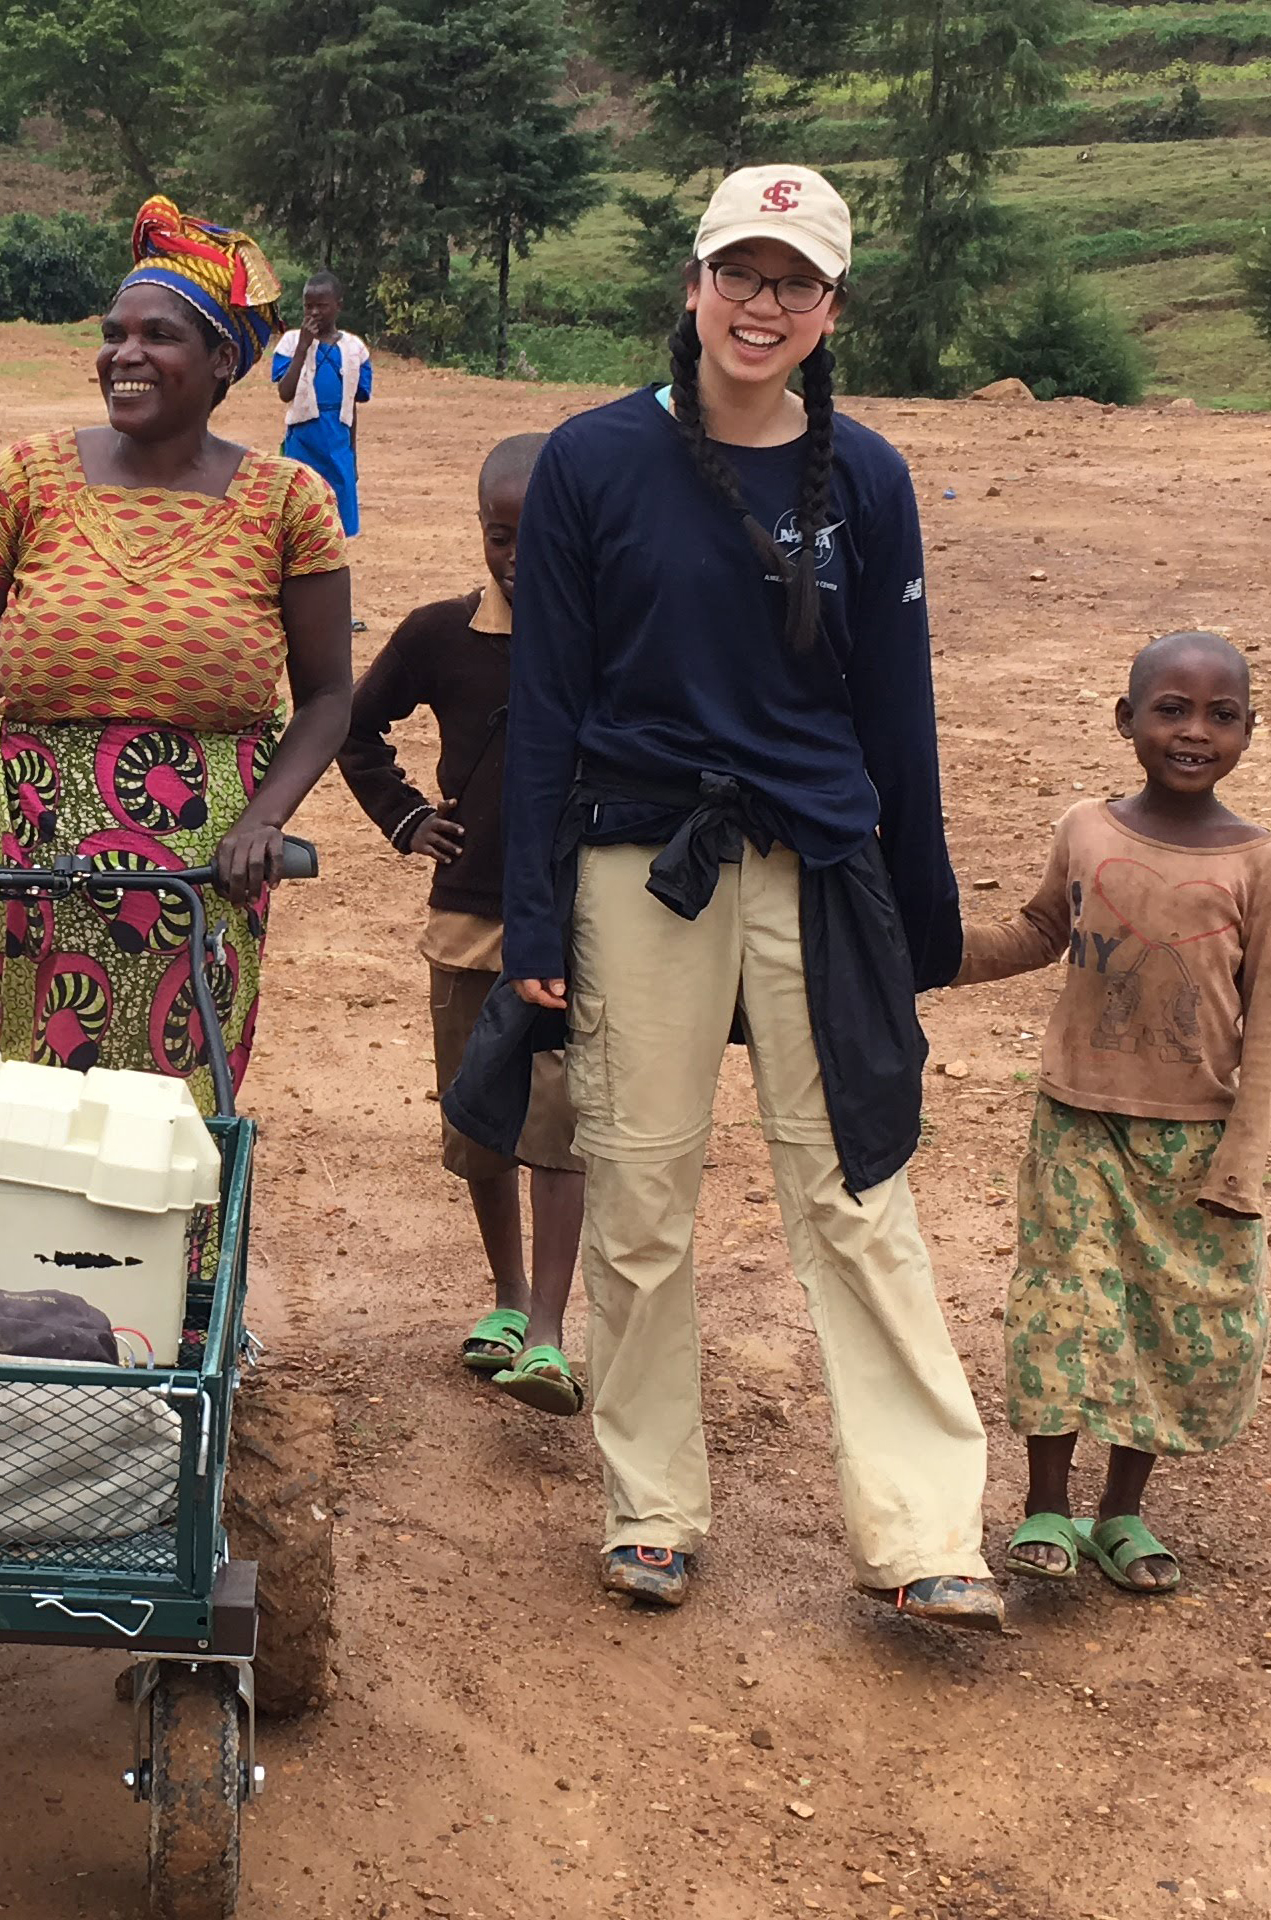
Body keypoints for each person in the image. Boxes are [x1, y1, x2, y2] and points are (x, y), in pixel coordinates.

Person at [501, 164, 1001, 1629]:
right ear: (695, 282)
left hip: (820, 863)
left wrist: (919, 918)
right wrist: (536, 920)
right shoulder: (593, 461)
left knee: (856, 1187)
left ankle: (920, 1531)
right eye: (741, 271)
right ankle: (651, 1507)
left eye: (795, 280)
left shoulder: (876, 479)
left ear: (834, 306)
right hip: (639, 861)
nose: (762, 303)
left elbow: (898, 715)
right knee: (642, 1192)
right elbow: (547, 709)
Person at [0, 195, 352, 1110]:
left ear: (221, 363)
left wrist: (263, 822)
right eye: (113, 334)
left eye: (158, 336)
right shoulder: (27, 477)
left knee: (184, 1098)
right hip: (40, 842)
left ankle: (185, 1257)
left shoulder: (288, 501)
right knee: (44, 1089)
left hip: (207, 858)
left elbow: (329, 694)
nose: (124, 355)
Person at [956, 630, 1271, 1595]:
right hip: (1078, 1122)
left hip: (1197, 1140)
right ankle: (1045, 1504)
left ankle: (1121, 1513)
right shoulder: (1085, 827)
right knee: (1061, 1308)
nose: (1194, 731)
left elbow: (1266, 1023)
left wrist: (1244, 1160)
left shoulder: (1260, 860)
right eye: (1171, 709)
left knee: (1172, 1326)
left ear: (1251, 731)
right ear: (1124, 720)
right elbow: (1041, 930)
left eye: (1222, 715)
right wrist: (929, 951)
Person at [340, 432, 585, 1413]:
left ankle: (554, 1335)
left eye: (541, 535)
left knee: (561, 1123)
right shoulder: (440, 636)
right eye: (500, 535)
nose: (519, 556)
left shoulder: (611, 637)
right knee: (480, 1120)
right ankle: (509, 1300)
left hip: (578, 927)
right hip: (468, 922)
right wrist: (405, 816)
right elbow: (356, 725)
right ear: (479, 531)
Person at [272, 270, 372, 540]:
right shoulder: (291, 343)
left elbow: (351, 407)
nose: (314, 312)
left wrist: (353, 458)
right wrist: (303, 348)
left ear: (338, 306)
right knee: (299, 510)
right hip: (302, 441)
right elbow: (285, 392)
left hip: (338, 443)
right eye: (308, 306)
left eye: (321, 305)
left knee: (338, 522)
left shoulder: (354, 350)